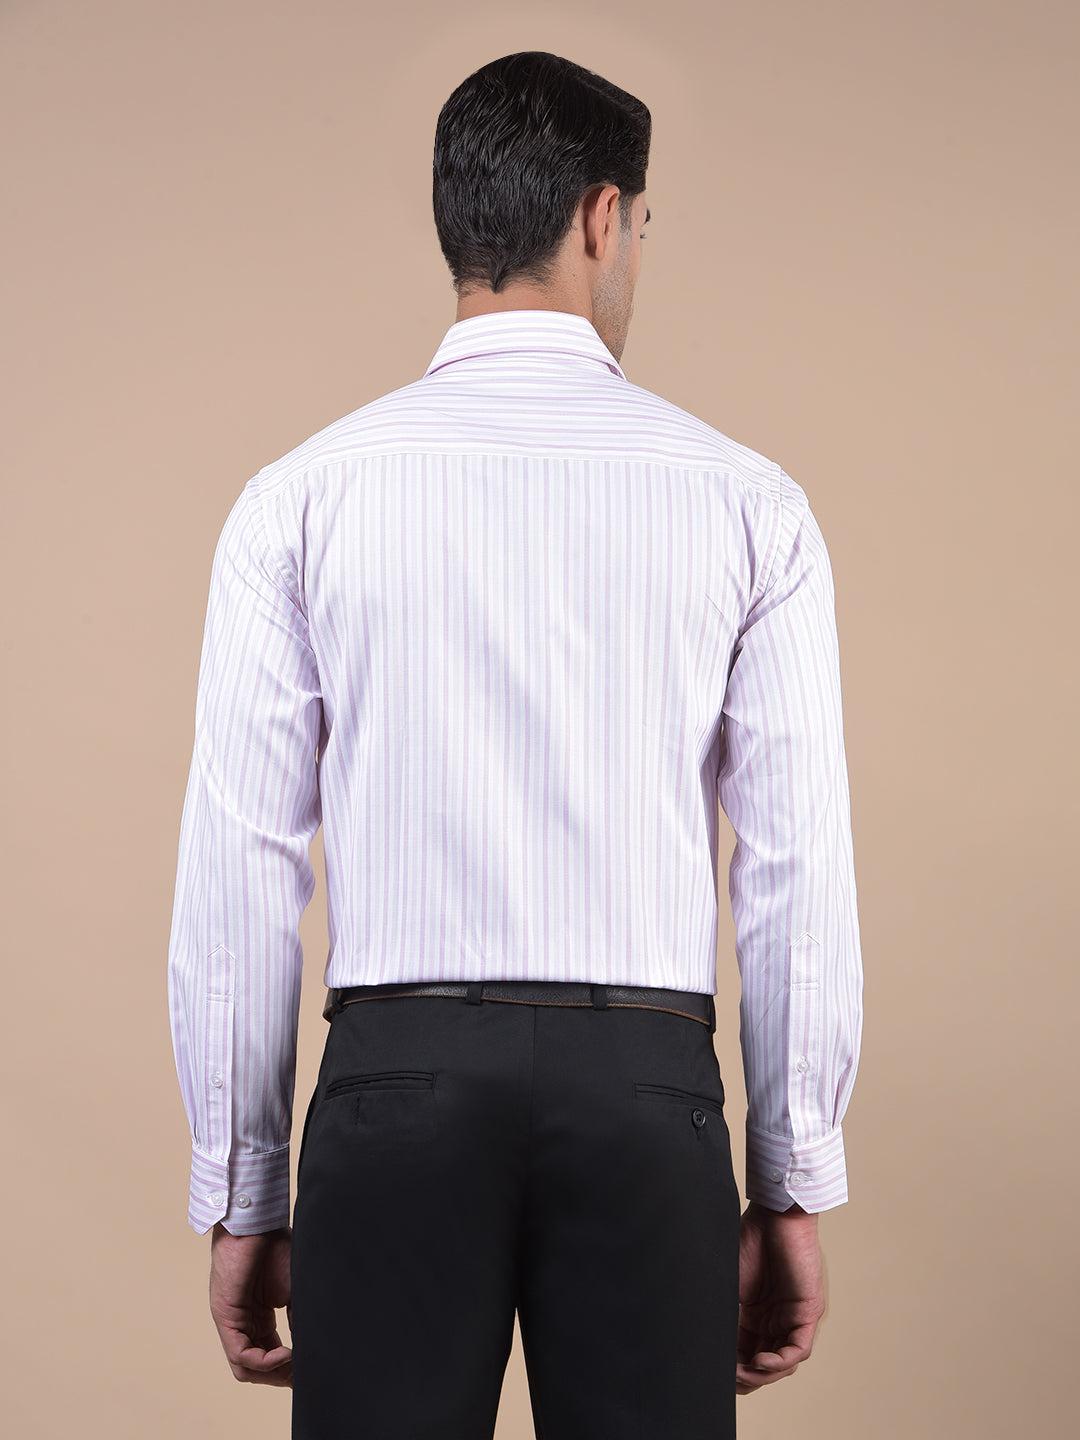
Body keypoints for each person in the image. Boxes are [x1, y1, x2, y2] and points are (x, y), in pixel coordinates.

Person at [167, 49, 863, 1440]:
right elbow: (793, 870)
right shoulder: (752, 506)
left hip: (395, 1085)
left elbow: (241, 873)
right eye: (643, 227)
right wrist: (790, 1178)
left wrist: (243, 1189)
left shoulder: (297, 502)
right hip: (647, 1088)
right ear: (603, 219)